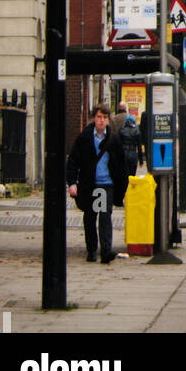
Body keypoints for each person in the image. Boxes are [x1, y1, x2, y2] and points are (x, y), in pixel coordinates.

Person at [66, 103, 128, 264]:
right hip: (89, 184)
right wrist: (72, 183)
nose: (101, 121)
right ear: (94, 118)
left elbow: (121, 164)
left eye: (105, 117)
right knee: (90, 216)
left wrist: (122, 188)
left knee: (105, 216)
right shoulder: (85, 138)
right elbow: (73, 160)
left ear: (108, 120)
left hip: (105, 184)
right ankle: (92, 250)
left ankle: (106, 250)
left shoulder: (113, 139)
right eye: (99, 117)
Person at [119, 113, 142, 178]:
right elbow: (139, 147)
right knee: (132, 175)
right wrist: (141, 160)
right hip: (133, 154)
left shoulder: (122, 130)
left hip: (124, 154)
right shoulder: (137, 131)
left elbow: (119, 144)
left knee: (124, 175)